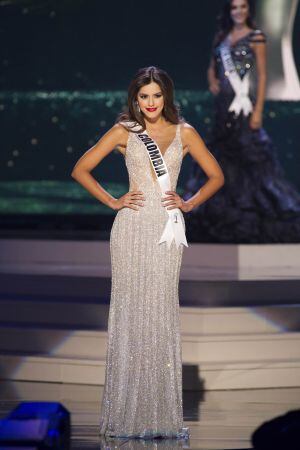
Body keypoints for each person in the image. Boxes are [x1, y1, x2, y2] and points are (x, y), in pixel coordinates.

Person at [71, 66, 224, 440]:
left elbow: (217, 176)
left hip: (166, 231)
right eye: (144, 97)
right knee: (129, 313)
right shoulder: (125, 131)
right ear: (135, 99)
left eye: (156, 96)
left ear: (166, 97)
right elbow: (81, 169)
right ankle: (124, 415)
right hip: (131, 228)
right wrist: (114, 201)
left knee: (160, 311)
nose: (151, 103)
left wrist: (188, 203)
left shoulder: (185, 133)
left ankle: (159, 414)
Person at [184, 0, 300, 243]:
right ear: (229, 11)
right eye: (234, 7)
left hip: (244, 109)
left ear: (248, 11)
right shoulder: (223, 37)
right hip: (222, 109)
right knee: (218, 159)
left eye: (243, 7)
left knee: (251, 161)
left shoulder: (256, 37)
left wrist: (258, 111)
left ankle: (255, 216)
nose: (238, 11)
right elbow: (211, 66)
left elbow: (263, 74)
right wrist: (212, 80)